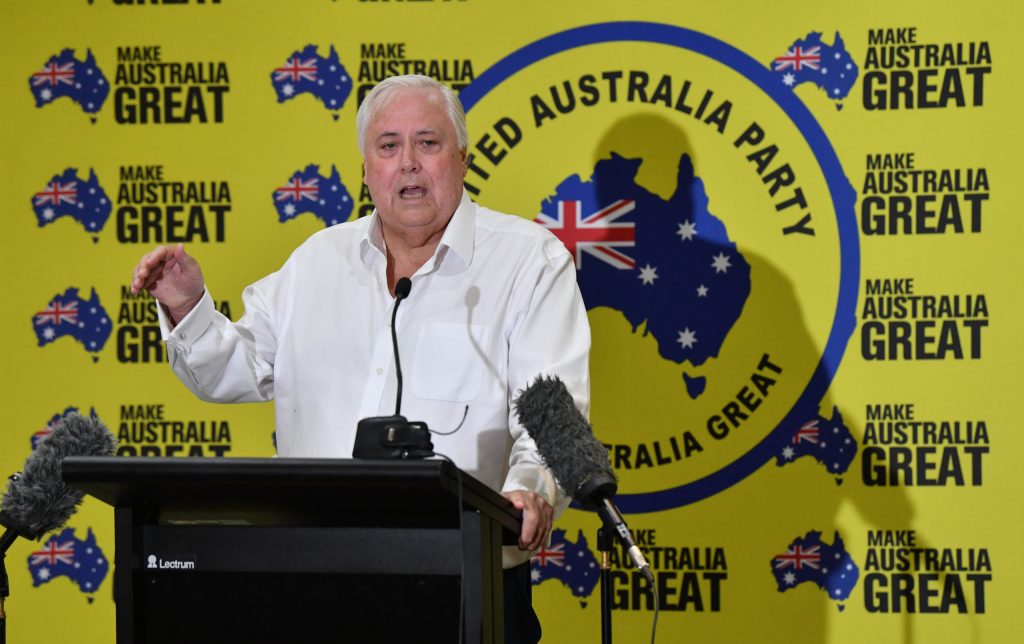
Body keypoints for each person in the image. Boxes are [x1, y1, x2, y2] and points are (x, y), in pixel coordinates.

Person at [130, 74, 590, 642]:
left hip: (462, 588)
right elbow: (233, 368)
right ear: (367, 170)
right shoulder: (316, 263)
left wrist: (531, 491)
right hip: (313, 581)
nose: (409, 164)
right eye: (388, 146)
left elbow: (553, 414)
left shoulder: (527, 263)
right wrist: (188, 307)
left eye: (428, 142)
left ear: (463, 159)